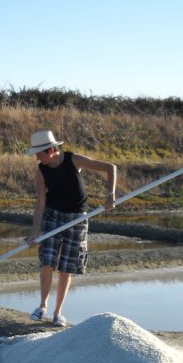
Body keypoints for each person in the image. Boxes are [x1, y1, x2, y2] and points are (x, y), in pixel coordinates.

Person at [25, 130, 117, 327]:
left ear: (50, 150)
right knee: (47, 262)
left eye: (39, 153)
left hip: (77, 218)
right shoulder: (41, 171)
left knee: (66, 267)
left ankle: (58, 313)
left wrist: (110, 195)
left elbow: (110, 168)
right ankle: (42, 307)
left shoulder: (73, 160)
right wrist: (34, 233)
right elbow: (40, 204)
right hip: (53, 216)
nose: (36, 157)